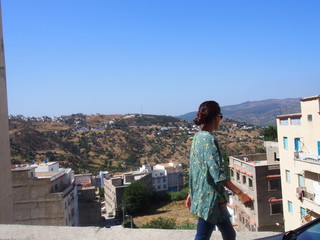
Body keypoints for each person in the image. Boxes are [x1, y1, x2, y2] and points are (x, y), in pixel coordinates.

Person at [185, 100, 250, 240]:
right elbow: (217, 174)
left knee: (229, 234)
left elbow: (195, 168)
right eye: (220, 117)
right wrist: (240, 193)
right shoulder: (208, 139)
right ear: (216, 117)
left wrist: (192, 192)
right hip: (210, 200)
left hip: (212, 197)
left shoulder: (197, 137)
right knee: (202, 236)